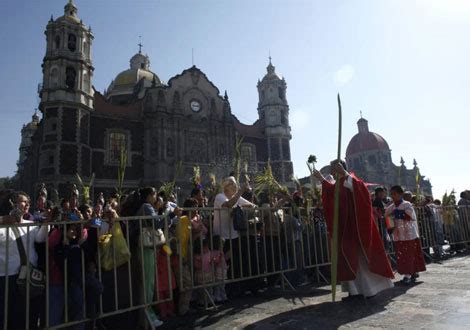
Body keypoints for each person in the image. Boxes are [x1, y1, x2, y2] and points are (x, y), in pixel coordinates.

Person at [313, 161, 394, 300]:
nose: (331, 171)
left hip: (356, 227)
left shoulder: (351, 179)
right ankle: (354, 291)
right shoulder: (338, 184)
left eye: (333, 168)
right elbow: (331, 193)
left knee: (361, 261)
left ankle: (369, 289)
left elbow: (360, 190)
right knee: (347, 259)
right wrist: (321, 179)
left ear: (340, 167)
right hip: (344, 229)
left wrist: (344, 174)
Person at [0, 191, 48, 329]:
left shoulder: (30, 224)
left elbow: (40, 238)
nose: (27, 204)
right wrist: (2, 220)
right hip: (8, 276)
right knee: (7, 315)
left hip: (28, 274)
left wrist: (47, 223)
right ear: (12, 204)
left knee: (27, 314)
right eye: (23, 201)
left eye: (28, 202)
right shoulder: (2, 225)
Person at [213, 176, 254, 297]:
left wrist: (240, 207)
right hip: (222, 237)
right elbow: (229, 205)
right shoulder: (219, 197)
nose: (236, 187)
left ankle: (233, 290)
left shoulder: (237, 197)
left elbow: (252, 206)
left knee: (234, 264)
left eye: (236, 184)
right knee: (222, 266)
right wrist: (241, 191)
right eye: (233, 184)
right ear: (226, 186)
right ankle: (221, 292)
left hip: (234, 236)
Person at [386, 186, 426, 285]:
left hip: (409, 234)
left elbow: (410, 216)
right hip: (398, 235)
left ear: (400, 194)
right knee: (402, 255)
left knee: (409, 255)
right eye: (391, 194)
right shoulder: (390, 207)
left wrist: (395, 213)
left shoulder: (407, 204)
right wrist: (389, 222)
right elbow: (388, 219)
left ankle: (407, 275)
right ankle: (411, 272)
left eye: (394, 194)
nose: (392, 196)